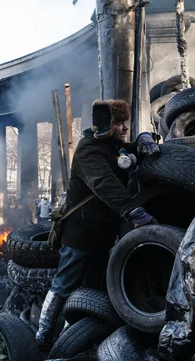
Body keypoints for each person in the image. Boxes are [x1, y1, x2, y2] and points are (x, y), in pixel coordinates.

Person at [35, 99, 160, 349]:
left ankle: (75, 336)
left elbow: (129, 152)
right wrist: (132, 209)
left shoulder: (114, 147)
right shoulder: (88, 150)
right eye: (118, 123)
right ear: (106, 125)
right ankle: (43, 333)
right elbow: (104, 182)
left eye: (125, 123)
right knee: (64, 284)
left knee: (95, 287)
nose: (124, 128)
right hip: (80, 233)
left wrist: (146, 137)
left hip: (104, 234)